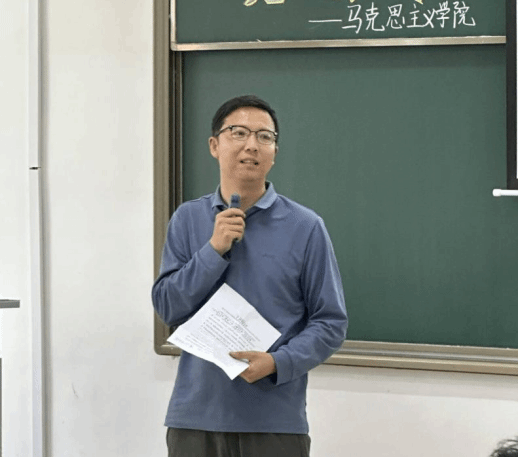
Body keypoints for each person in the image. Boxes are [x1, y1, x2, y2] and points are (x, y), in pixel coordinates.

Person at [152, 95, 348, 457]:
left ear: (274, 152)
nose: (251, 145)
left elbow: (330, 322)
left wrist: (278, 363)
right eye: (238, 132)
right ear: (214, 145)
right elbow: (168, 308)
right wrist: (213, 250)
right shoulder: (187, 219)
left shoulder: (306, 227)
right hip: (195, 419)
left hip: (274, 421)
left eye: (264, 136)